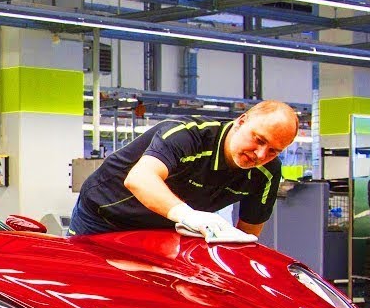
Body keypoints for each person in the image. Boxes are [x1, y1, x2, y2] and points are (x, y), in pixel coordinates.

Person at [70, 100, 299, 238]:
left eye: (273, 151)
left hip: (162, 228)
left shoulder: (267, 173)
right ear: (241, 121)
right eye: (258, 140)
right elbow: (140, 179)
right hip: (103, 216)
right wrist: (190, 216)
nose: (260, 155)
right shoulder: (187, 135)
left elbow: (247, 235)